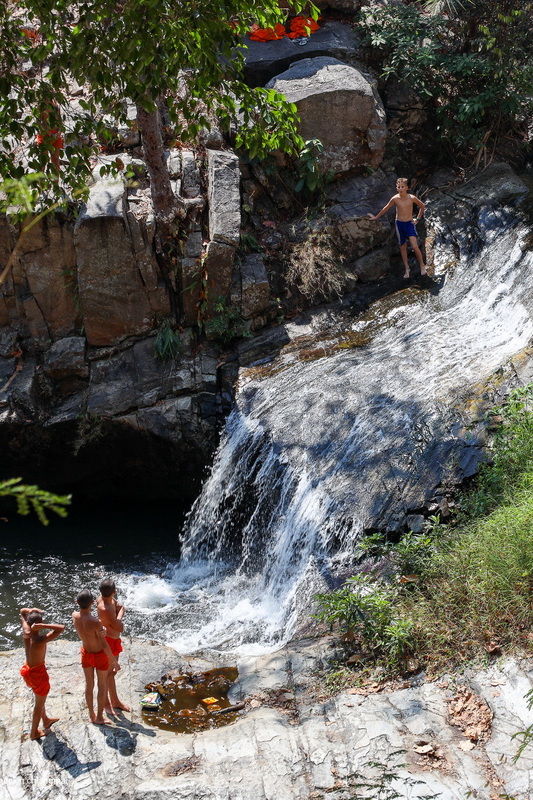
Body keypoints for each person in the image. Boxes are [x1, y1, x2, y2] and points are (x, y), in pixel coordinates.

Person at [72, 589, 120, 725]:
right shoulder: (96, 622)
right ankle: (99, 717)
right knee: (102, 685)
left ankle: (91, 714)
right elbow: (104, 644)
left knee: (89, 685)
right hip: (99, 655)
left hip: (86, 653)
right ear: (92, 603)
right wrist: (114, 661)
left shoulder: (74, 615)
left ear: (77, 602)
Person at [19, 607, 65, 740]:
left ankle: (45, 720)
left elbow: (22, 612)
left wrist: (29, 610)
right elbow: (61, 628)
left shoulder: (26, 633)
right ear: (39, 624)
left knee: (40, 698)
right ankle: (34, 733)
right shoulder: (40, 640)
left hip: (28, 670)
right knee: (39, 704)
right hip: (38, 674)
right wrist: (43, 625)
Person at [368, 178, 426, 279]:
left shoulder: (411, 198)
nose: (400, 189)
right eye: (399, 187)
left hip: (409, 223)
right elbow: (385, 208)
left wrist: (417, 219)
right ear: (396, 188)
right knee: (402, 246)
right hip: (399, 224)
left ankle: (422, 265)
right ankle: (407, 268)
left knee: (414, 246)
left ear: (407, 188)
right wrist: (376, 217)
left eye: (402, 187)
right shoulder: (395, 199)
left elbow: (422, 206)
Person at [97, 578, 130, 714]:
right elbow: (120, 627)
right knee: (107, 674)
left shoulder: (107, 599)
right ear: (114, 591)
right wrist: (121, 611)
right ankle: (106, 703)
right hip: (108, 642)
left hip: (114, 641)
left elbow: (116, 604)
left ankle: (115, 701)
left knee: (112, 673)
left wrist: (119, 608)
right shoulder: (105, 608)